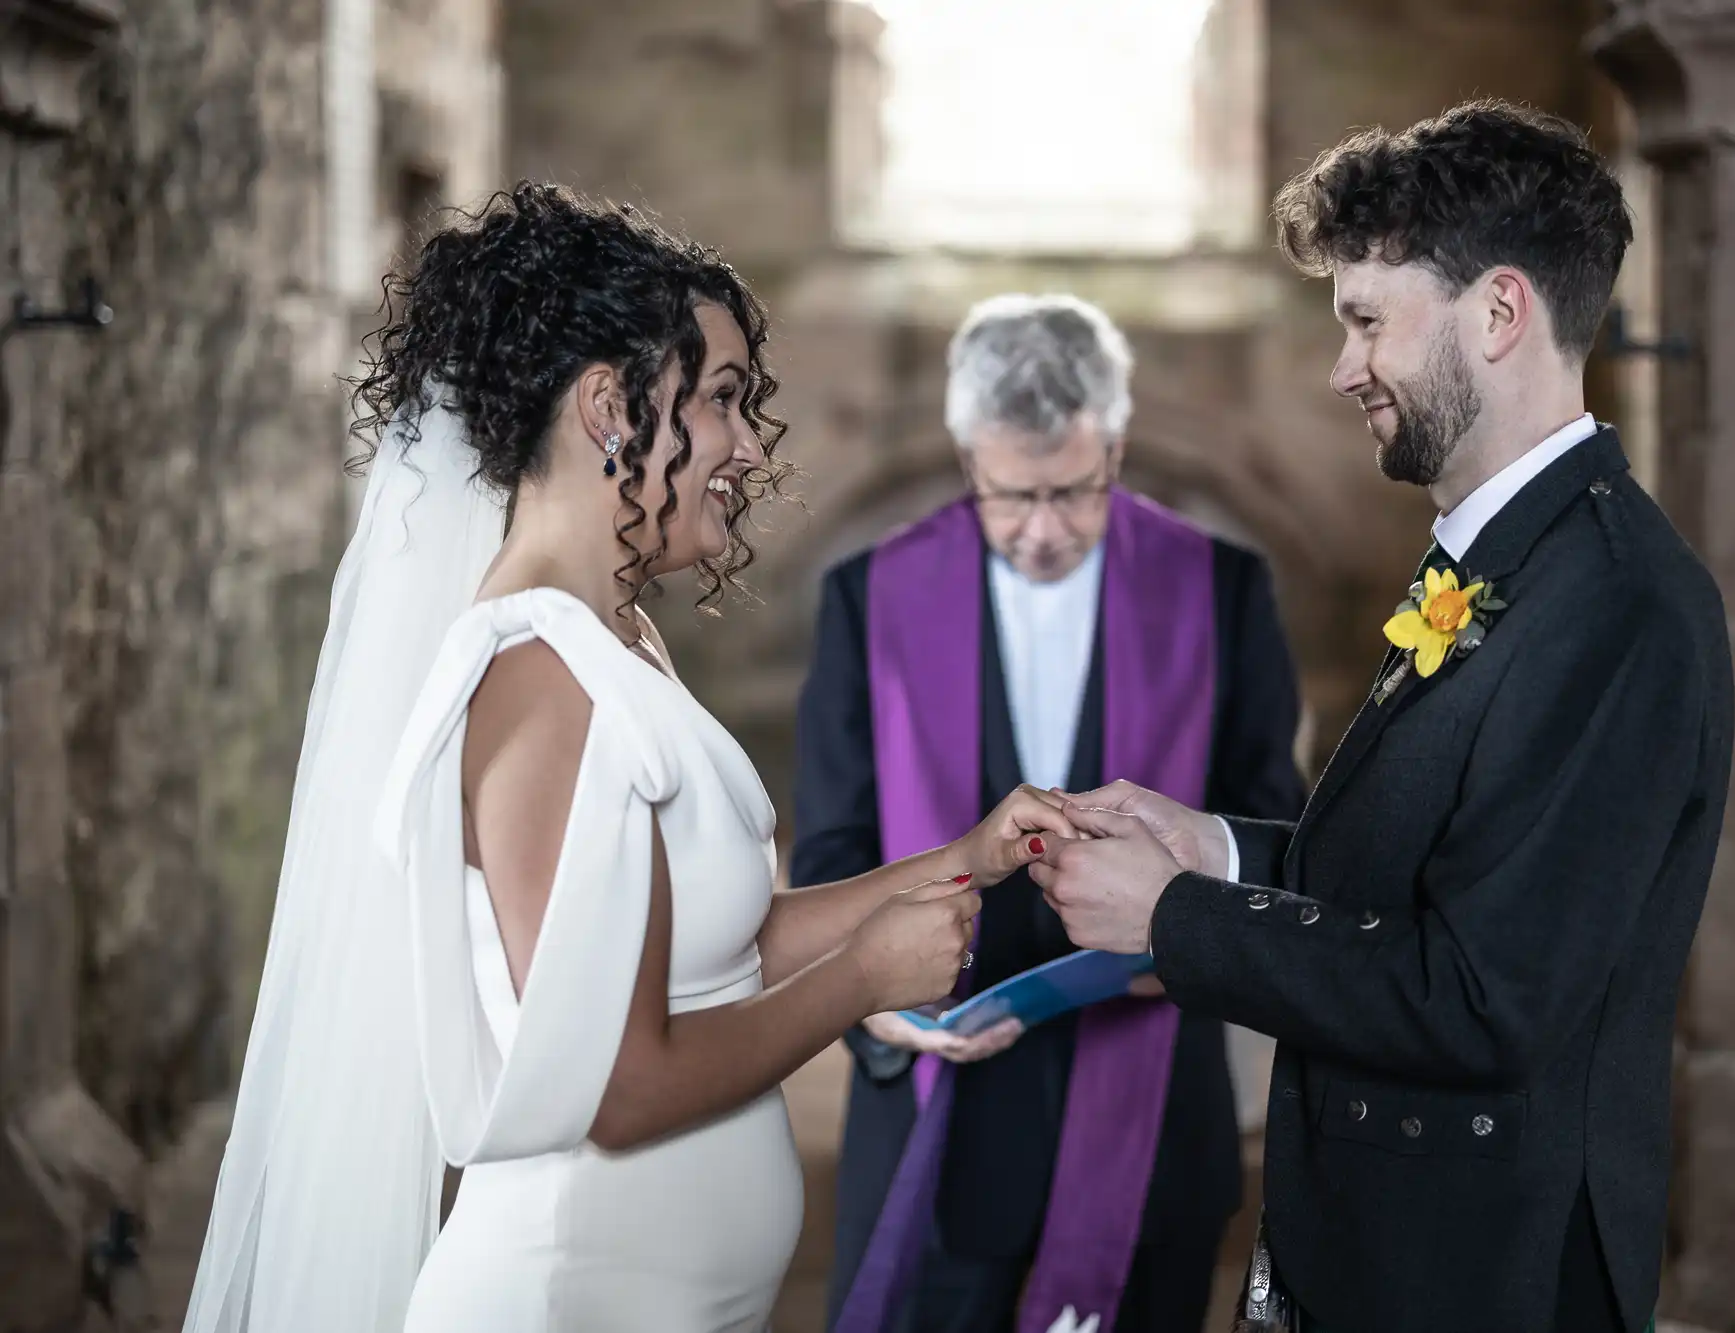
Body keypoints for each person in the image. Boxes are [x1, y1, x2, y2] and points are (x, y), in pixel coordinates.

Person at [179, 183, 1078, 1333]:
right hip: (569, 1295)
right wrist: (862, 980)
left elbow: (720, 942)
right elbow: (618, 1084)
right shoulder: (537, 678)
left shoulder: (613, 638)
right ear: (609, 407)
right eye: (719, 400)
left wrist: (962, 860)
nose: (748, 449)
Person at [1031, 101, 1733, 1333]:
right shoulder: (1506, 558)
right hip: (1377, 1249)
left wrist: (1170, 916)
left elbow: (1483, 995)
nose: (1341, 365)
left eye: (1366, 321)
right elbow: (1421, 882)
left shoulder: (1616, 602)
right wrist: (1217, 848)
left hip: (1481, 1278)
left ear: (1499, 312)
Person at [793, 293, 1306, 1333]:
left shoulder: (1222, 588)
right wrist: (869, 1006)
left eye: (1071, 493)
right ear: (963, 455)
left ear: (1114, 445)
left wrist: (1196, 930)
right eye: (1007, 495)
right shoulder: (870, 593)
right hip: (939, 1115)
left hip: (1151, 1109)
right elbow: (835, 843)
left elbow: (1267, 825)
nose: (1038, 530)